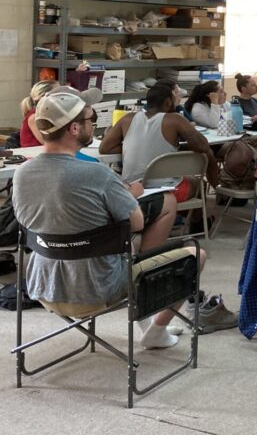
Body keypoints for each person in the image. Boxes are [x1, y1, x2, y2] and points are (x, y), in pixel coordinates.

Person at [12, 89, 207, 350]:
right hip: (97, 289)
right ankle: (155, 330)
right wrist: (126, 195)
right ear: (73, 129)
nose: (93, 123)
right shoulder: (97, 174)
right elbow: (136, 223)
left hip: (43, 285)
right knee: (195, 254)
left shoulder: (22, 173)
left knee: (129, 246)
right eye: (90, 119)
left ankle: (147, 322)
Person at [100, 81, 221, 249]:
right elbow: (202, 146)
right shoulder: (175, 119)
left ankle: (173, 221)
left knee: (183, 180)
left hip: (132, 187)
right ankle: (197, 224)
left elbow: (104, 147)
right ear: (168, 102)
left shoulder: (128, 119)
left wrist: (135, 144)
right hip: (165, 191)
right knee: (197, 183)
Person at [19, 80, 59, 148]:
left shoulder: (49, 112)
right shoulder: (34, 117)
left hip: (47, 153)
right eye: (58, 93)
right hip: (33, 154)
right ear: (45, 96)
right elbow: (46, 142)